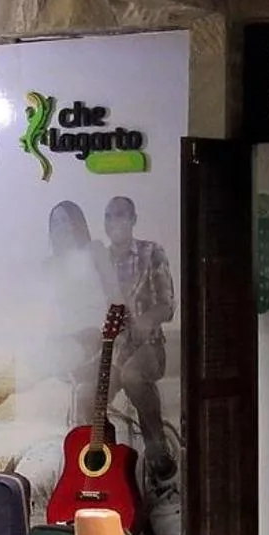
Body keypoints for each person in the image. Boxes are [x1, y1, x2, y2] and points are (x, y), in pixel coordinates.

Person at [100, 196, 177, 486]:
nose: (114, 222)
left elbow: (167, 305)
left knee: (132, 375)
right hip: (112, 350)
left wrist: (144, 322)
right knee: (88, 395)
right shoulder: (101, 262)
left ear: (133, 219)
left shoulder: (151, 252)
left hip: (149, 347)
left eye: (121, 215)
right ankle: (102, 462)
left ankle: (158, 450)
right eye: (109, 216)